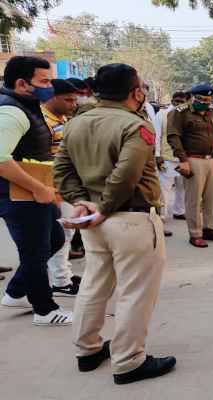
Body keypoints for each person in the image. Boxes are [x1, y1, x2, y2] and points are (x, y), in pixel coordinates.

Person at [54, 63, 176, 385]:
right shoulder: (135, 126)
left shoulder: (76, 124)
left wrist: (82, 202)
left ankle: (87, 349)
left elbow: (62, 172)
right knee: (135, 292)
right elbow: (126, 175)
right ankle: (129, 361)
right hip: (130, 218)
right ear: (136, 92)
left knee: (95, 286)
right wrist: (105, 207)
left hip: (95, 219)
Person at [0, 56, 72, 326]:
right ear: (21, 83)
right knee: (35, 251)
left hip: (34, 192)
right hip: (20, 196)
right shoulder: (12, 111)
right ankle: (45, 310)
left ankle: (16, 293)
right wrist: (39, 188)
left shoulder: (25, 106)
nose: (49, 86)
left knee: (53, 240)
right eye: (43, 81)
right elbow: (0, 159)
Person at [167, 84, 213, 248]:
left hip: (212, 159)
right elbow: (174, 137)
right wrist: (182, 160)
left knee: (211, 197)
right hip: (193, 159)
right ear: (193, 98)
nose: (204, 102)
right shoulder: (180, 113)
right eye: (201, 99)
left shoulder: (212, 113)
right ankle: (195, 233)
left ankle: (209, 228)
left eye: (208, 100)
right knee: (193, 199)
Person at [42, 78, 83, 296]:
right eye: (68, 99)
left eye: (74, 99)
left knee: (66, 232)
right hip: (53, 185)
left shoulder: (63, 118)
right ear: (51, 97)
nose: (73, 104)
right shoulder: (43, 121)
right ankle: (60, 282)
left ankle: (63, 275)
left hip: (66, 184)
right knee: (61, 233)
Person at [155, 91, 187, 231]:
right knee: (165, 187)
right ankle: (162, 214)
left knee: (183, 186)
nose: (179, 103)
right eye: (177, 100)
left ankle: (179, 211)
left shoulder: (187, 115)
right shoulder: (162, 114)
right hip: (166, 156)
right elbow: (156, 135)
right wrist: (157, 154)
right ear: (172, 100)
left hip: (184, 157)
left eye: (182, 101)